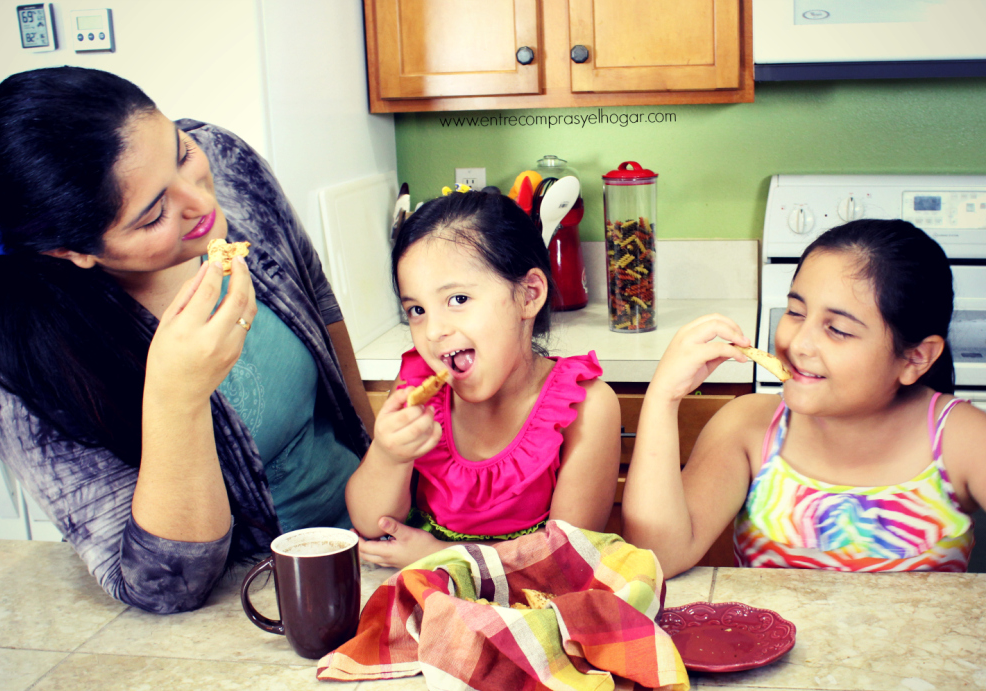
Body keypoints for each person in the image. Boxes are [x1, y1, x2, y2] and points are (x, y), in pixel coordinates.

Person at [0, 67, 375, 613]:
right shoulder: (35, 355)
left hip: (375, 537)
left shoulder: (224, 160)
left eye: (181, 154)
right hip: (259, 605)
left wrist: (380, 454)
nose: (201, 202)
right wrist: (177, 395)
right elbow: (161, 586)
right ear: (73, 252)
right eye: (154, 214)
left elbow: (318, 299)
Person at [623, 219, 985, 576]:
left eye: (838, 330)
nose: (798, 344)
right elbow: (658, 559)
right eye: (795, 312)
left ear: (914, 357)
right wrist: (663, 396)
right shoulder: (747, 426)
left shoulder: (964, 440)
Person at [346, 190, 622, 568]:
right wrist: (387, 455)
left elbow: (566, 560)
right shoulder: (418, 387)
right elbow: (370, 524)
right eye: (417, 310)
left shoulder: (585, 406)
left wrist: (447, 557)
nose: (433, 331)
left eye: (458, 299)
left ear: (529, 295)